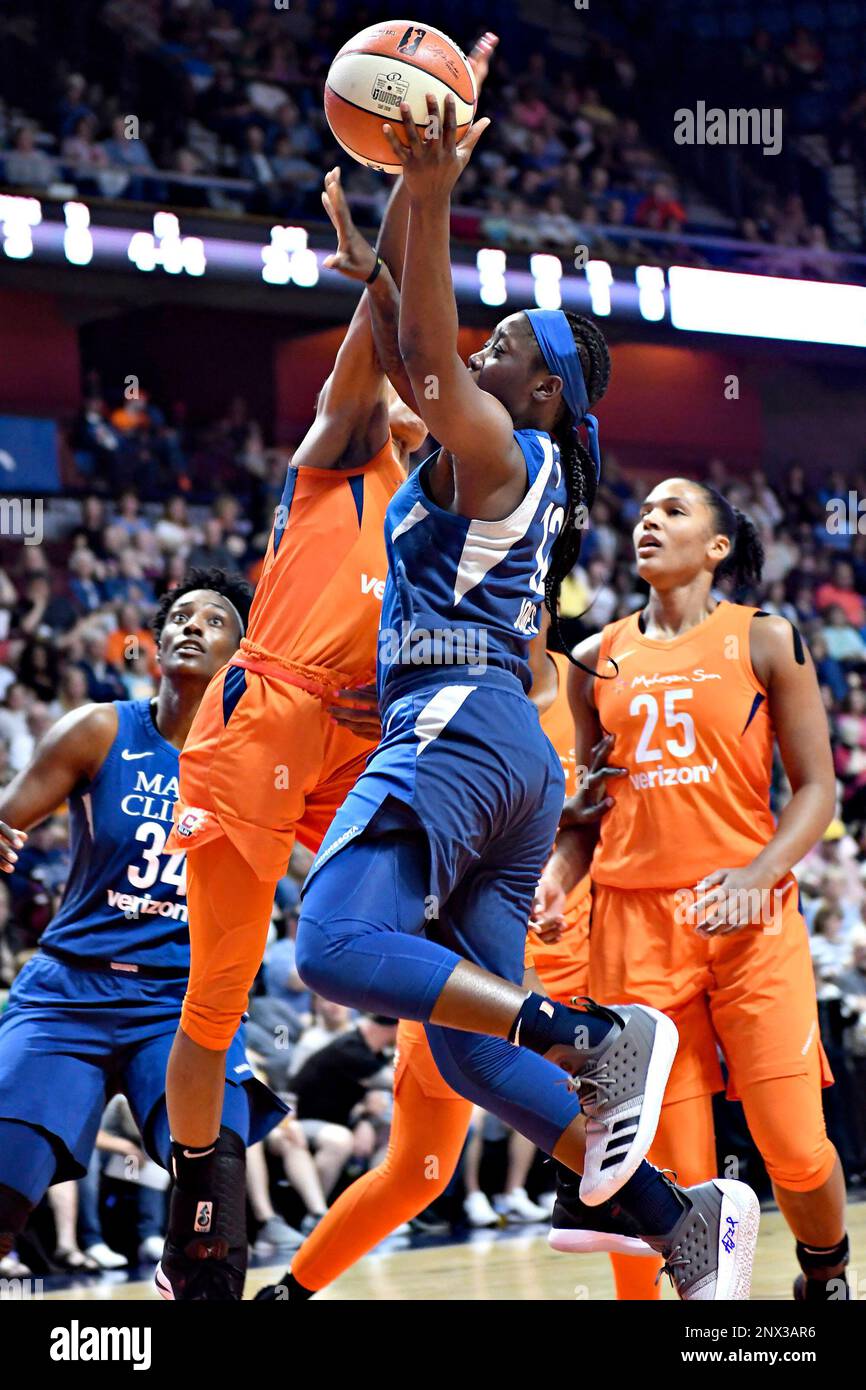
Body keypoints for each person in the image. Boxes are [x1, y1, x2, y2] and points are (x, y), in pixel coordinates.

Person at [287, 97, 759, 1303]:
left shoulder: (501, 448)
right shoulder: (505, 453)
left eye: (505, 348)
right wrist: (382, 269)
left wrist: (429, 195)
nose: (478, 353)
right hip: (500, 757)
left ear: (538, 393)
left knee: (333, 947)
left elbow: (434, 370)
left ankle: (592, 1035)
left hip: (459, 730)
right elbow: (419, 360)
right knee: (469, 1051)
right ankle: (681, 1224)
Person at [253, 634, 653, 1301]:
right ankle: (291, 1290)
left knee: (606, 1163)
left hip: (576, 969)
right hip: (458, 967)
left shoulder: (592, 688)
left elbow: (595, 822)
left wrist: (557, 874)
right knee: (418, 1169)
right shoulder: (433, 682)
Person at [535, 478, 849, 1300]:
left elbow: (817, 789)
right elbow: (585, 814)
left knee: (795, 1148)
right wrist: (559, 878)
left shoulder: (769, 640)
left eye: (674, 512)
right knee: (659, 1174)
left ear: (717, 548)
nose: (649, 522)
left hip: (750, 916)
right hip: (633, 931)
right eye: (643, 513)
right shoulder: (594, 660)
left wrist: (758, 873)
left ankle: (825, 1274)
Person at [0, 570, 287, 1295]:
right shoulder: (99, 730)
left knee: (213, 1219)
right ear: (156, 645)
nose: (193, 626)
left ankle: (186, 1270)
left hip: (183, 1000)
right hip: (68, 988)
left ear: (242, 651)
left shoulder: (261, 760)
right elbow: (9, 816)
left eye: (214, 619)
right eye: (180, 617)